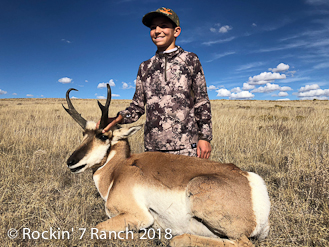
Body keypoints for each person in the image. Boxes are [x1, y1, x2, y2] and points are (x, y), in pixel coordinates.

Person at [99, 7, 212, 159]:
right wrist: (118, 118)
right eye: (153, 28)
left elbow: (201, 100)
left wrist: (204, 137)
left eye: (163, 26)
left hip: (186, 147)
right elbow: (137, 106)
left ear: (176, 31)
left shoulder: (190, 60)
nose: (157, 31)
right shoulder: (145, 67)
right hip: (153, 149)